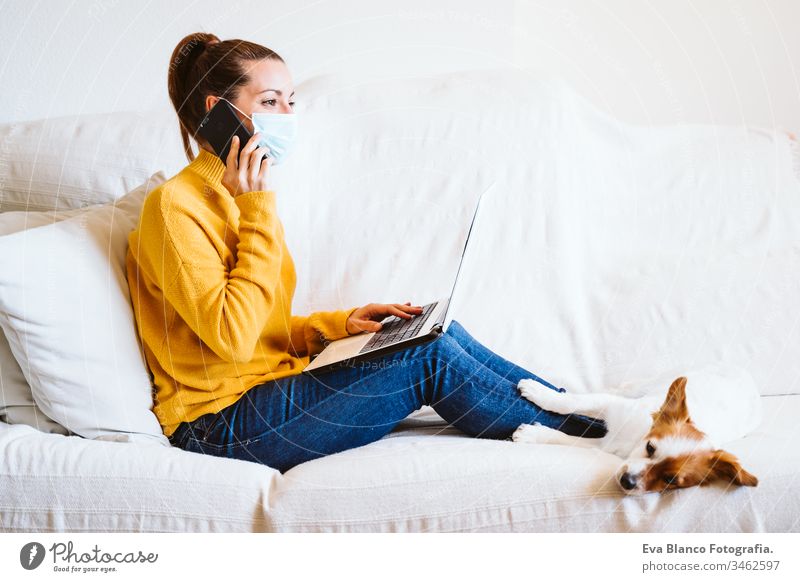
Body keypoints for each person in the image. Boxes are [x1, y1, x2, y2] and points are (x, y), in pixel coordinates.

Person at [125, 32, 607, 474]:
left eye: (291, 102)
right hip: (218, 428)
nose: (288, 118)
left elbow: (261, 331)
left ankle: (586, 413)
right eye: (270, 102)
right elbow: (231, 339)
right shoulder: (175, 207)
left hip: (266, 393)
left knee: (433, 330)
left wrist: (341, 324)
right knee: (429, 357)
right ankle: (602, 438)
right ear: (219, 110)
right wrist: (257, 211)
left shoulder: (244, 197)